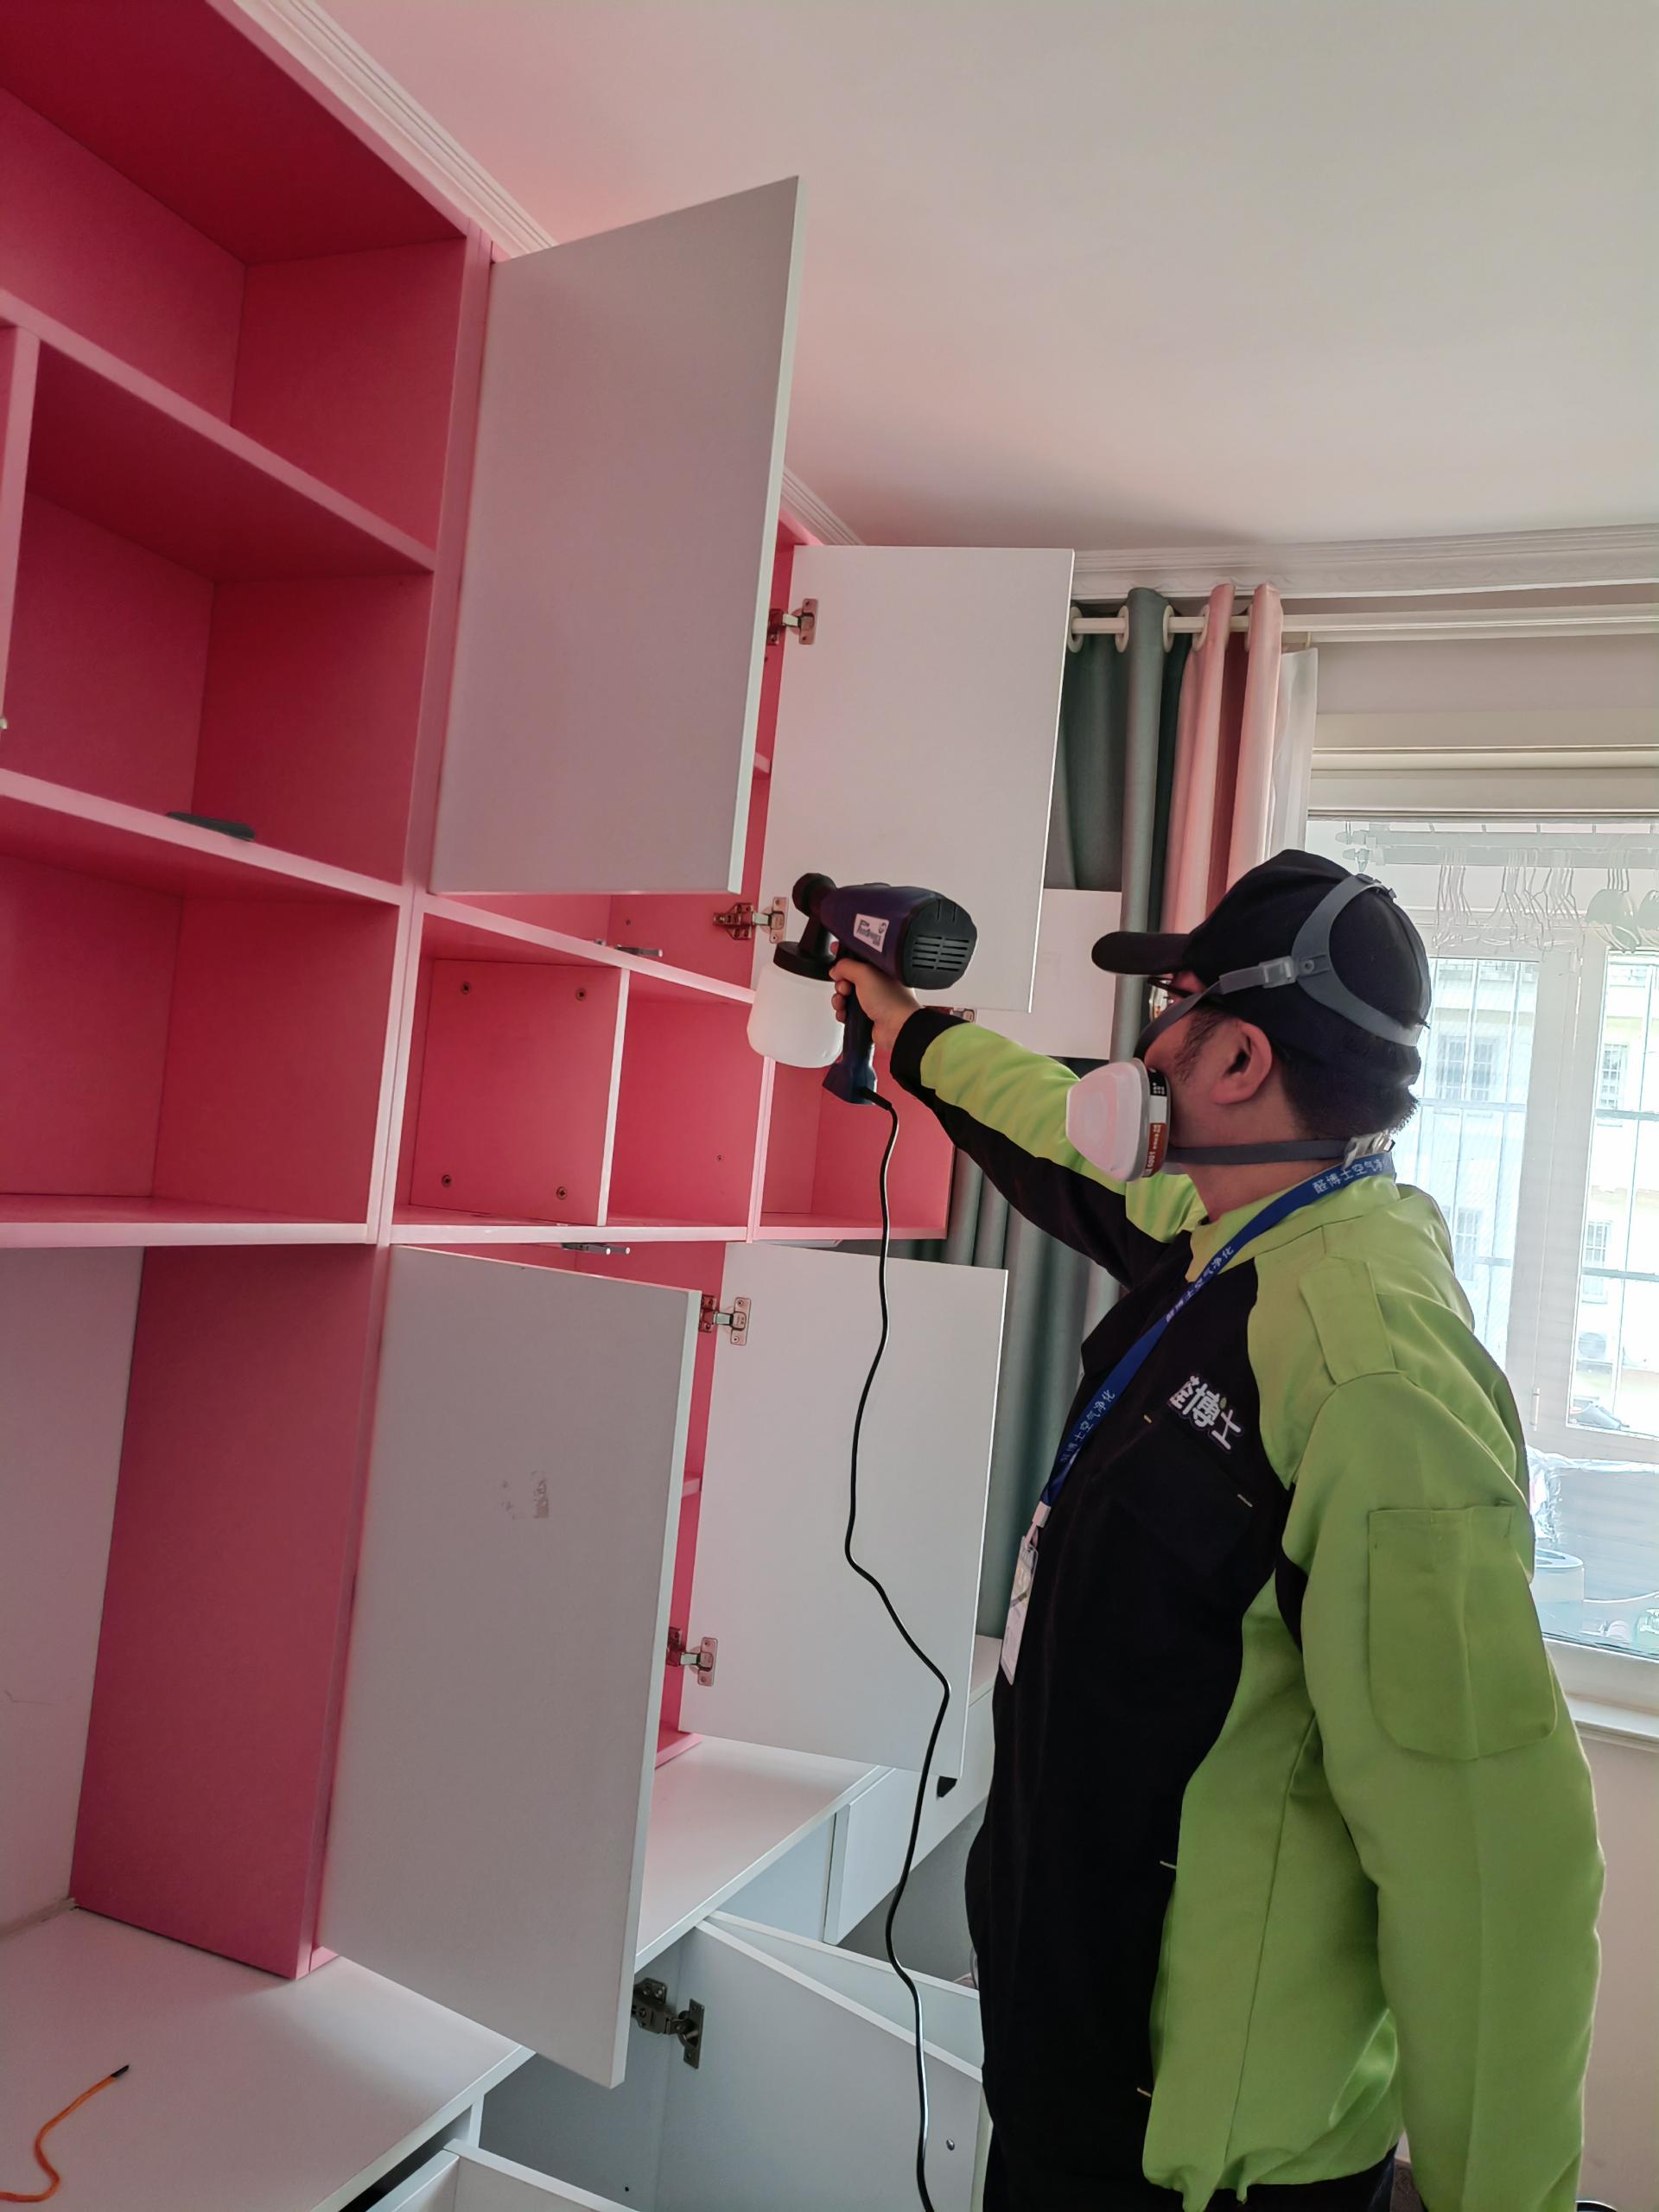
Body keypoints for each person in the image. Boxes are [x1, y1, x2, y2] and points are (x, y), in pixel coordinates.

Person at [831, 851, 1603, 2212]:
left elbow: (1490, 1860)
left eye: (1171, 1010)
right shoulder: (1240, 1231)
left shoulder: (1370, 1373)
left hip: (1204, 2164)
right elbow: (1047, 1127)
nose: (1147, 1049)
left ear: (1239, 1057)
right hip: (1075, 2088)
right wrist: (910, 1032)